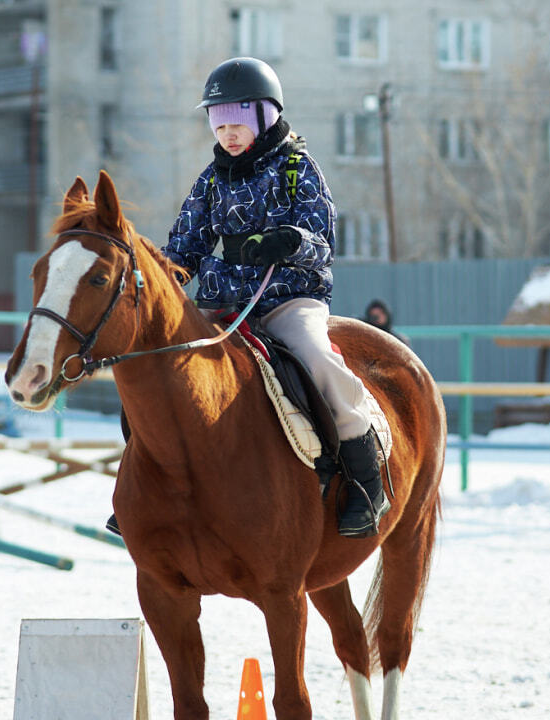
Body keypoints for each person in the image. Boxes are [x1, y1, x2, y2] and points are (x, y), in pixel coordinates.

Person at [150, 57, 388, 538]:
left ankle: (366, 483)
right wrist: (157, 280)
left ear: (264, 116)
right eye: (219, 123)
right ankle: (147, 483)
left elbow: (323, 243)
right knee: (158, 366)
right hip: (222, 302)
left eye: (237, 122)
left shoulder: (298, 167)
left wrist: (291, 243)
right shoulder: (211, 179)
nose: (228, 134)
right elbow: (183, 249)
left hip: (286, 298)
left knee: (318, 359)